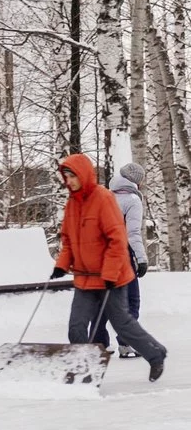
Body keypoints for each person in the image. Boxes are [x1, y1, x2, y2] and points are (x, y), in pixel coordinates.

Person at [50, 154, 167, 382]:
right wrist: (62, 264)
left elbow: (118, 239)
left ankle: (155, 354)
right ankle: (83, 370)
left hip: (111, 276)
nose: (69, 181)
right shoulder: (73, 204)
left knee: (122, 324)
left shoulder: (104, 198)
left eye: (72, 176)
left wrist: (112, 273)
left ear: (83, 175)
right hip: (85, 277)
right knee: (76, 326)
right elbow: (69, 239)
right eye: (66, 177)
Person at [91, 162, 148, 357]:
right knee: (130, 301)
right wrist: (141, 259)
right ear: (135, 181)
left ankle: (97, 345)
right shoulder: (132, 200)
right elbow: (132, 234)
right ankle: (126, 344)